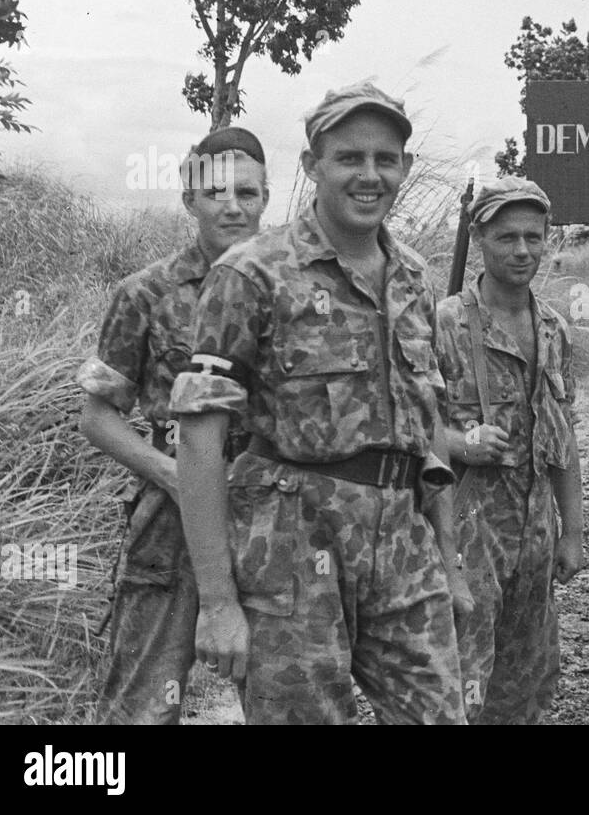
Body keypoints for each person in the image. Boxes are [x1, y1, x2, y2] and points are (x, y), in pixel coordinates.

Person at [170, 82, 470, 724]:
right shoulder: (251, 274)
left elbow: (427, 424)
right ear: (313, 166)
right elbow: (198, 436)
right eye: (349, 158)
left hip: (403, 550)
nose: (370, 175)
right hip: (291, 555)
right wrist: (218, 601)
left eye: (385, 160)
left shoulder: (413, 277)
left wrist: (449, 558)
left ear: (404, 169)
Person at [77, 126, 267, 724]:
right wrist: (172, 475)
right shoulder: (145, 293)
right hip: (170, 519)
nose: (232, 206)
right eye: (215, 193)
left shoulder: (293, 292)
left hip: (269, 513)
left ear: (267, 196)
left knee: (284, 697)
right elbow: (98, 415)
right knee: (143, 701)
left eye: (247, 192)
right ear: (189, 198)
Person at [435, 178, 584, 723]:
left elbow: (562, 437)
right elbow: (403, 430)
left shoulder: (553, 329)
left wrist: (576, 531)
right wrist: (458, 442)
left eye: (533, 238)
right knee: (462, 676)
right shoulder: (445, 323)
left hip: (536, 531)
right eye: (506, 238)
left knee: (529, 679)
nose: (522, 251)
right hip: (466, 528)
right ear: (478, 238)